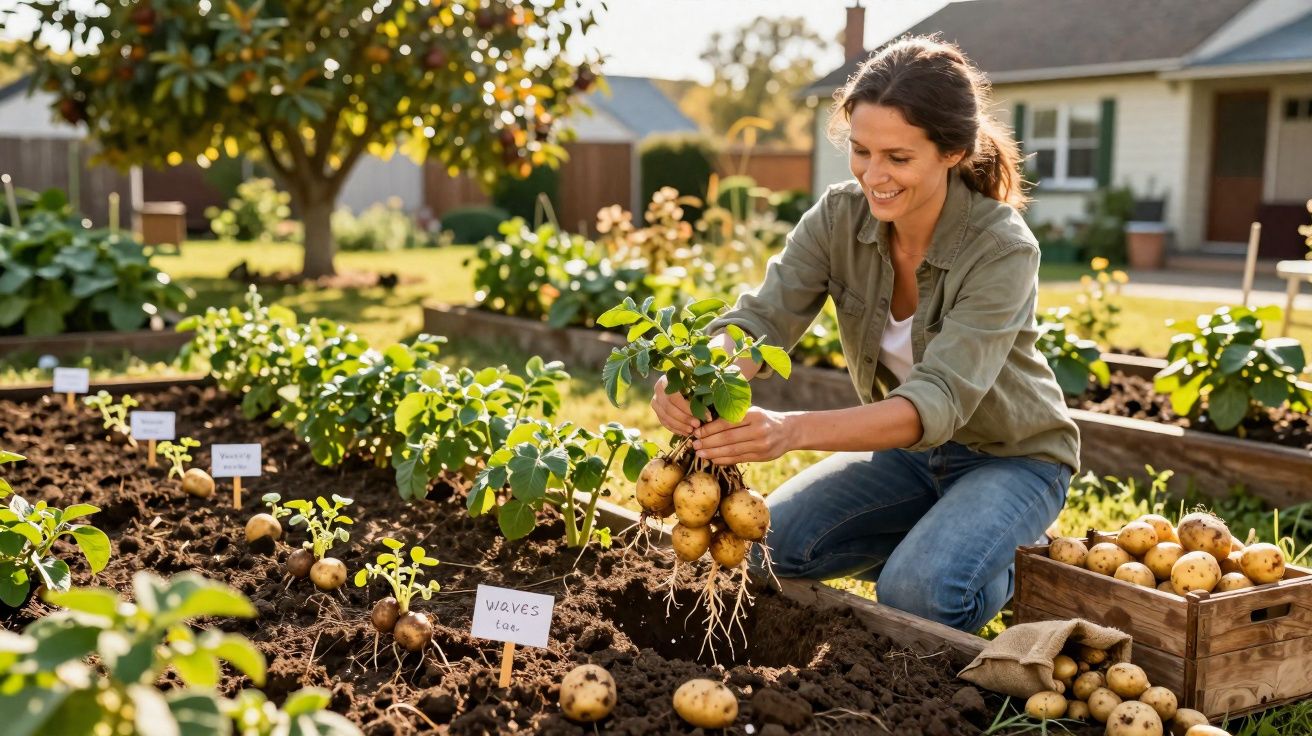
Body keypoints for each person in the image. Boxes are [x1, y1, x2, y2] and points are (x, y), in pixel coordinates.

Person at [648, 36, 1080, 633]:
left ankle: (1006, 567)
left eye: (898, 158)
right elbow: (763, 318)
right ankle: (944, 535)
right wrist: (705, 372)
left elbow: (939, 401)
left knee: (918, 595)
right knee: (772, 551)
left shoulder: (1001, 248)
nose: (874, 176)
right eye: (860, 151)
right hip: (907, 458)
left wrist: (790, 430)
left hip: (1011, 461)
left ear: (952, 151)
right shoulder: (837, 217)